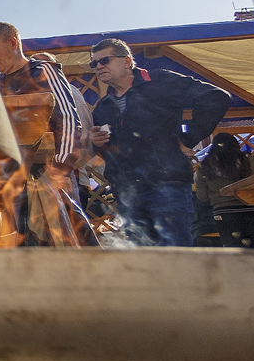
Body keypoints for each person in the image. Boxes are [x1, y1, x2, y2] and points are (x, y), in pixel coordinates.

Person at [89, 38, 230, 246]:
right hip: (129, 193)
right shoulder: (103, 106)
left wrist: (188, 138)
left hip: (166, 185)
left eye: (105, 60)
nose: (99, 67)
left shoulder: (160, 82)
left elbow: (216, 97)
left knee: (175, 256)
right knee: (146, 264)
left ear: (127, 61)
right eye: (95, 63)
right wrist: (96, 142)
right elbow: (110, 151)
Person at [0, 23, 97, 246]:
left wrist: (62, 167)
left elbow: (68, 118)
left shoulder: (42, 71)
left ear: (13, 42)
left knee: (65, 243)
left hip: (50, 172)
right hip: (17, 177)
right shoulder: (1, 84)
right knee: (27, 245)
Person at [192, 133, 254, 249]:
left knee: (237, 255)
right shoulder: (251, 161)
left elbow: (202, 196)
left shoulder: (204, 167)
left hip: (224, 213)